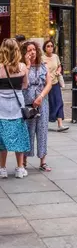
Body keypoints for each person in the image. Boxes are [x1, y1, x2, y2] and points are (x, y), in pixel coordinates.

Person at [0, 38, 29, 178]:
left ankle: (2, 168)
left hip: (1, 107)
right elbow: (25, 85)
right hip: (18, 106)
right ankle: (19, 168)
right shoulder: (23, 67)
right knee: (20, 136)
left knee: (1, 138)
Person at [22, 41, 52, 171]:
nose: (32, 52)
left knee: (42, 130)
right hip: (27, 103)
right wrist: (27, 65)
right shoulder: (22, 67)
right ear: (24, 53)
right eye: (29, 50)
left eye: (33, 49)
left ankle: (43, 161)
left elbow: (49, 83)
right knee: (27, 131)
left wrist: (40, 97)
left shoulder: (43, 66)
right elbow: (22, 83)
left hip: (42, 103)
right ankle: (23, 161)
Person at [41, 40, 67, 132]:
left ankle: (60, 124)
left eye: (51, 46)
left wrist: (58, 71)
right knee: (48, 104)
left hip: (55, 83)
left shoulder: (55, 57)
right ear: (44, 48)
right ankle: (44, 123)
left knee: (59, 102)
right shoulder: (41, 58)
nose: (50, 48)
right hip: (46, 85)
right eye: (48, 46)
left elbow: (59, 66)